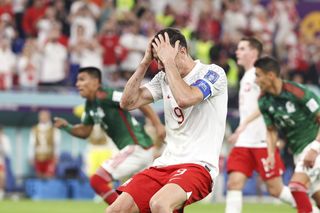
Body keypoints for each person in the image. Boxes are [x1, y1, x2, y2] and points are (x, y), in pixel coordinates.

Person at [109, 27, 228, 213]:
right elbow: (127, 102)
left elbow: (185, 99)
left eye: (163, 58)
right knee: (115, 210)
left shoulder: (212, 73)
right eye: (157, 60)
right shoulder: (162, 78)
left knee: (159, 204)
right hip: (165, 163)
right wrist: (144, 62)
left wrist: (168, 63)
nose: (160, 65)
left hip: (199, 165)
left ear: (182, 51)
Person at [54, 66, 165, 205]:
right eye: (77, 80)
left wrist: (158, 125)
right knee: (140, 199)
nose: (77, 84)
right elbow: (84, 131)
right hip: (136, 150)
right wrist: (66, 126)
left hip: (137, 146)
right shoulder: (90, 105)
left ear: (95, 82)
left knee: (97, 180)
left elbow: (136, 99)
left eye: (82, 79)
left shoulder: (107, 95)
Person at [225, 37, 295, 213]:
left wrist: (244, 124)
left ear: (253, 52)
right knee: (234, 183)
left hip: (262, 141)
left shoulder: (260, 75)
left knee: (276, 190)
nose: (237, 52)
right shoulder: (246, 76)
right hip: (244, 141)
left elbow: (270, 102)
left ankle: (311, 206)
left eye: (242, 48)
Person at [254, 56, 320, 213]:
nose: (256, 81)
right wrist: (270, 154)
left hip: (314, 145)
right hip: (298, 152)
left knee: (296, 186)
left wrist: (315, 149)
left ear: (270, 75)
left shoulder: (298, 92)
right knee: (317, 199)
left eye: (258, 75)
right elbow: (271, 130)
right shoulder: (264, 101)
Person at [28, 109, 61, 178]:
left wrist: (56, 156)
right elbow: (31, 145)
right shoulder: (34, 129)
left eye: (45, 116)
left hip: (50, 157)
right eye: (41, 116)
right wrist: (31, 157)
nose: (43, 117)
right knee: (39, 177)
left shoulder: (54, 129)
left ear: (48, 117)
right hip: (38, 157)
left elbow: (57, 144)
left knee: (49, 177)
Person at [0, 125, 11, 200]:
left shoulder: (5, 139)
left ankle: (1, 193)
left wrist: (2, 143)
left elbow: (7, 152)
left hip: (1, 161)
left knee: (1, 178)